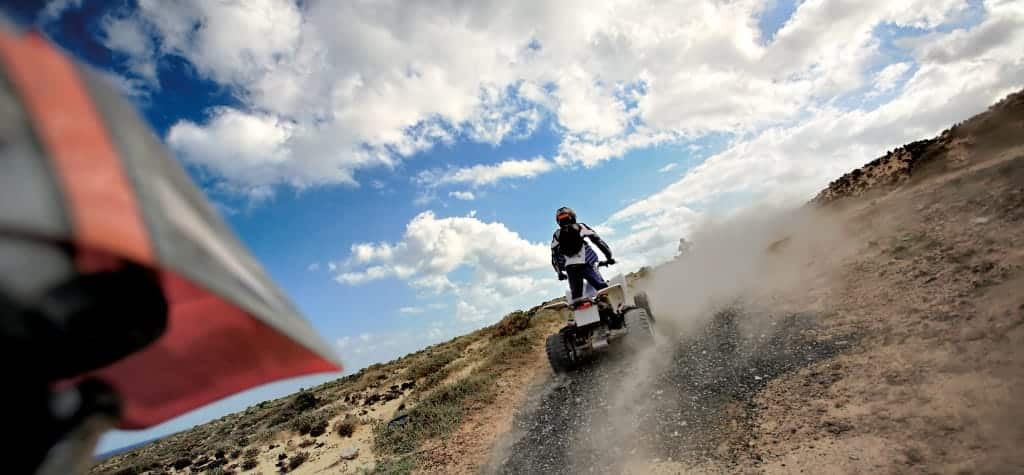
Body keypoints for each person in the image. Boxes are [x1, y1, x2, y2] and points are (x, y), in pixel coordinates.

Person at [550, 207, 615, 301]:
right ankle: (609, 304)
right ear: (573, 217)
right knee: (602, 288)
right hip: (585, 264)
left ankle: (580, 305)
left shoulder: (557, 234)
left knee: (577, 297)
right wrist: (609, 257)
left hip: (570, 268)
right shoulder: (580, 226)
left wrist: (559, 273)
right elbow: (598, 241)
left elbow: (554, 255)